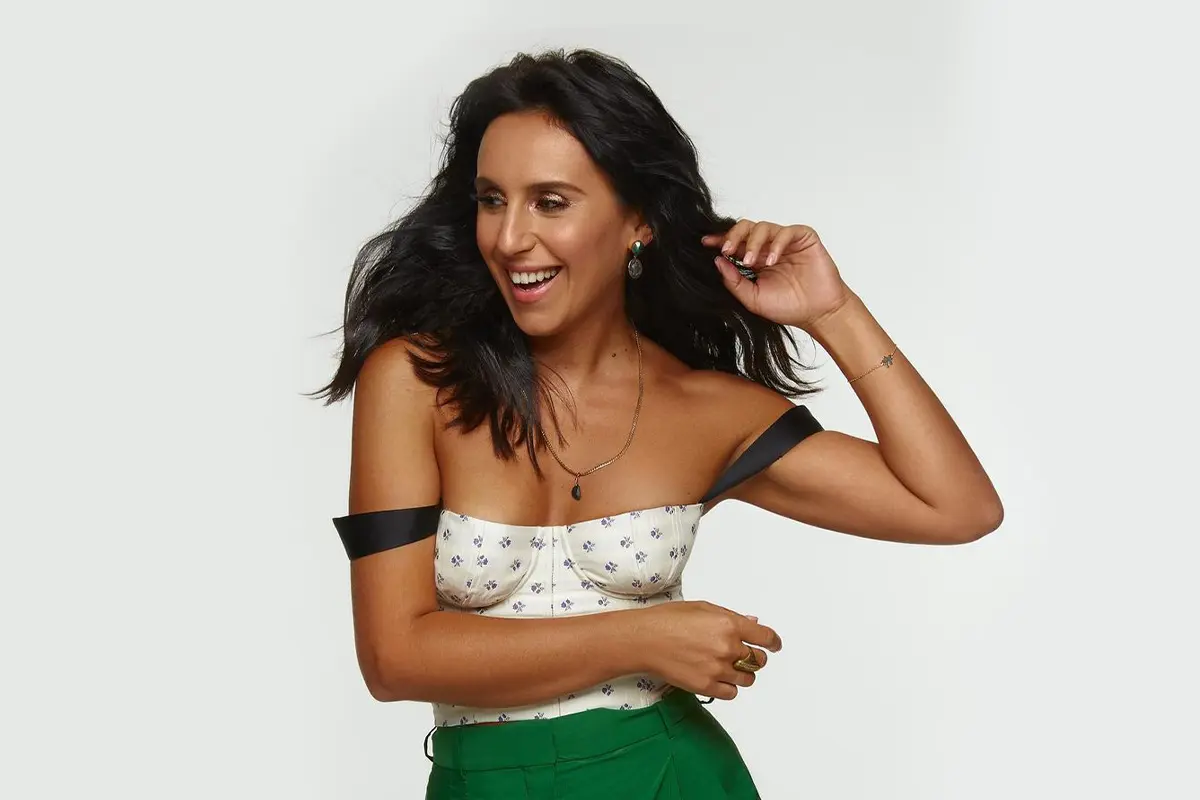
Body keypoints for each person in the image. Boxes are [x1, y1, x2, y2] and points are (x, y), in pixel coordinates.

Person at [314, 48, 1003, 799]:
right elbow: (394, 658)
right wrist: (641, 636)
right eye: (491, 200)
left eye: (551, 202)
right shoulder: (415, 380)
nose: (510, 239)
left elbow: (957, 507)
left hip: (673, 776)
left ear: (638, 220)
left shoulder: (704, 409)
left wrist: (834, 312)